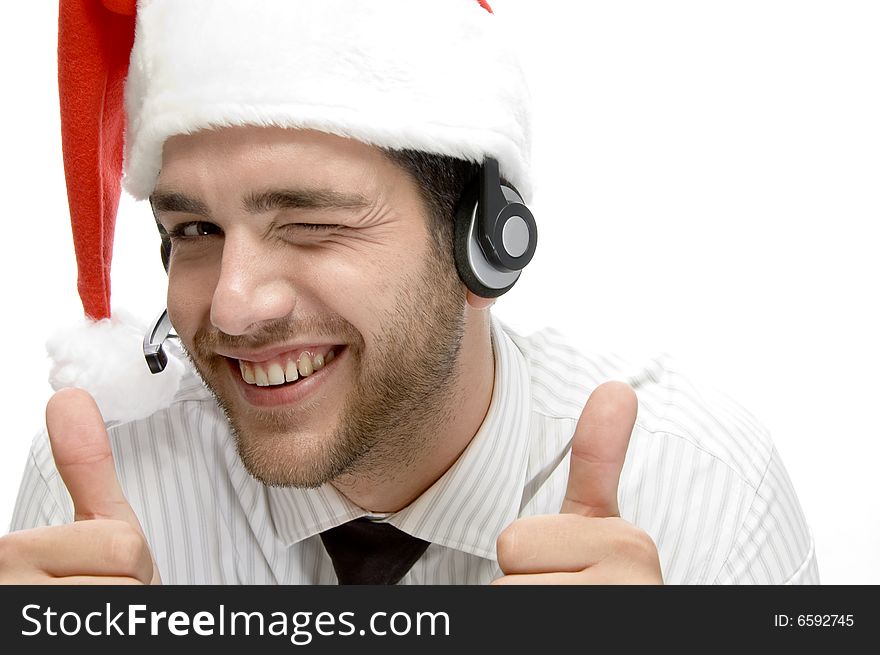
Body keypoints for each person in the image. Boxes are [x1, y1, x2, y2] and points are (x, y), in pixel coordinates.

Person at [2, 0, 817, 585]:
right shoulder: (100, 497)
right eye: (195, 232)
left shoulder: (703, 491)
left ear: (484, 243)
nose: (233, 308)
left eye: (311, 223)